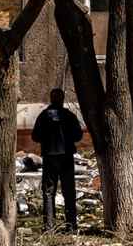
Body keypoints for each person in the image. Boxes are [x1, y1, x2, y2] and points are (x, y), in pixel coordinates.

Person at [31, 88, 83, 232]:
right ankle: (71, 226)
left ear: (51, 98)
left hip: (49, 157)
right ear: (62, 99)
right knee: (69, 191)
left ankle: (49, 227)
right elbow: (79, 135)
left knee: (48, 192)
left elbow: (35, 136)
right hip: (66, 157)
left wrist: (47, 139)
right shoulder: (69, 116)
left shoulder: (43, 116)